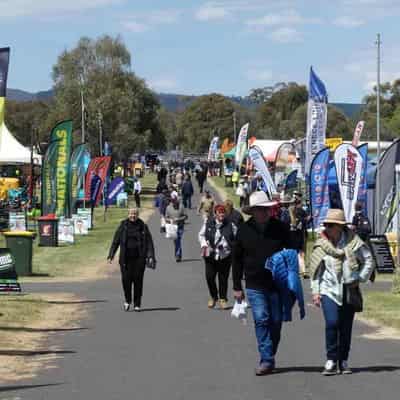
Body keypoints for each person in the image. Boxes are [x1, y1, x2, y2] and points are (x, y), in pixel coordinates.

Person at [232, 191, 294, 376]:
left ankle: (269, 353)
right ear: (252, 211)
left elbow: (291, 252)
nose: (262, 212)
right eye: (258, 209)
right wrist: (237, 286)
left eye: (264, 209)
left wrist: (292, 280)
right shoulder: (244, 230)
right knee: (261, 319)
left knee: (275, 321)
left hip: (277, 284)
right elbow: (236, 259)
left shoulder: (280, 228)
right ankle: (266, 359)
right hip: (254, 284)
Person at [310, 209, 374, 375]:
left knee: (345, 327)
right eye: (325, 225)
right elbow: (316, 270)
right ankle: (331, 359)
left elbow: (368, 260)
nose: (327, 228)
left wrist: (360, 278)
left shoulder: (354, 242)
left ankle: (343, 360)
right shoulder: (321, 244)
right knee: (332, 323)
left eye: (330, 225)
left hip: (348, 288)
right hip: (328, 289)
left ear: (339, 227)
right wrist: (316, 292)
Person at [107, 208, 155, 312]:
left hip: (139, 259)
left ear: (138, 215)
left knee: (138, 282)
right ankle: (127, 300)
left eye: (135, 214)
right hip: (125, 259)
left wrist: (150, 256)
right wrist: (111, 255)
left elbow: (149, 242)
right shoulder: (123, 226)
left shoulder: (143, 227)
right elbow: (116, 241)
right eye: (131, 214)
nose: (133, 216)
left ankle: (137, 304)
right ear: (128, 214)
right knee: (126, 281)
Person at [198, 204, 237, 309]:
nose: (221, 214)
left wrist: (228, 246)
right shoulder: (208, 223)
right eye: (219, 212)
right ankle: (213, 296)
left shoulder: (230, 225)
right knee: (209, 277)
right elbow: (201, 235)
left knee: (223, 278)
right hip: (210, 255)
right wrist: (204, 245)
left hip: (225, 255)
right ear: (215, 213)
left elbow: (236, 237)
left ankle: (223, 299)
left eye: (223, 212)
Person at [165, 196, 187, 262]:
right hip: (173, 227)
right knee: (176, 241)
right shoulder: (168, 208)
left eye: (175, 201)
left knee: (178, 240)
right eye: (173, 202)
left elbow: (186, 216)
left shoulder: (181, 206)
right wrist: (170, 220)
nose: (175, 203)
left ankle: (178, 255)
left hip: (180, 226)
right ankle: (177, 254)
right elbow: (166, 218)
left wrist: (179, 219)